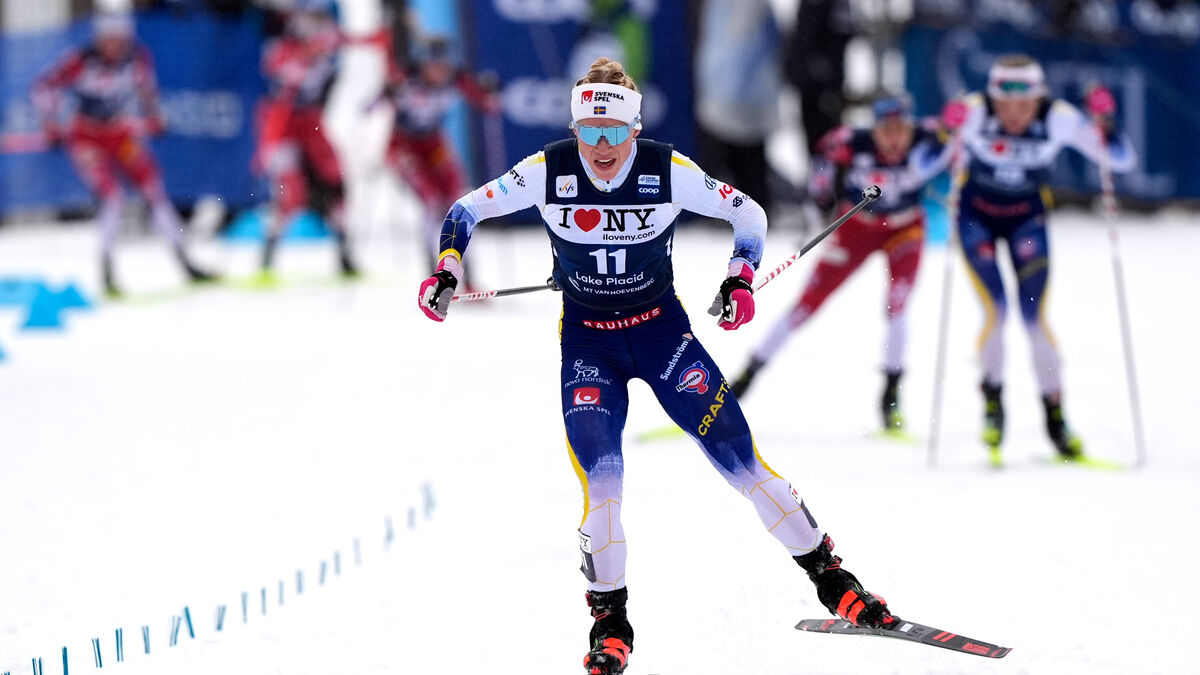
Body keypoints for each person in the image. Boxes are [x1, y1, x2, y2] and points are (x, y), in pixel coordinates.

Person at [417, 57, 897, 675]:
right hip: (589, 347)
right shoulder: (548, 170)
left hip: (662, 336)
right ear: (575, 129)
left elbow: (748, 213)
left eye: (614, 131)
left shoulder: (666, 170)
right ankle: (610, 626)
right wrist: (447, 270)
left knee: (743, 466)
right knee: (604, 488)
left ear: (635, 129)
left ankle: (835, 583)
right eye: (590, 132)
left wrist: (739, 278)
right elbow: (464, 211)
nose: (601, 147)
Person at [943, 55, 1135, 465]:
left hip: (1027, 221)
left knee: (1034, 321)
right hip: (976, 220)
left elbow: (1120, 159)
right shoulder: (975, 112)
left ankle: (1056, 419)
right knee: (996, 312)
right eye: (1006, 104)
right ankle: (993, 403)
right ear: (993, 99)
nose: (1015, 114)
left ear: (1040, 99)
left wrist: (1106, 123)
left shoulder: (1059, 118)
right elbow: (932, 157)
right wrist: (946, 127)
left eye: (1025, 105)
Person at [729, 93, 952, 434]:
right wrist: (819, 201)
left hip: (905, 228)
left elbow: (959, 132)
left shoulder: (929, 135)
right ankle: (744, 380)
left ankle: (891, 398)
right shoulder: (853, 141)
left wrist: (957, 124)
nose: (894, 139)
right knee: (808, 303)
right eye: (886, 130)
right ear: (874, 128)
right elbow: (823, 155)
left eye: (901, 130)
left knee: (898, 305)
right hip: (856, 227)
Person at [31, 12, 215, 297]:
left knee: (154, 191)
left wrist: (155, 116)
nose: (114, 46)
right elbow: (44, 87)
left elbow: (147, 90)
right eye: (109, 40)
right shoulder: (81, 60)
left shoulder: (136, 57)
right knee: (113, 198)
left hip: (120, 133)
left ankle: (186, 262)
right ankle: (107, 275)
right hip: (87, 138)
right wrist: (50, 124)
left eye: (119, 39)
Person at [256, 0, 357, 277]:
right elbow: (276, 67)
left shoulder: (328, 38)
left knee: (336, 179)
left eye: (321, 17)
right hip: (282, 121)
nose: (318, 24)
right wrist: (307, 53)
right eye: (312, 18)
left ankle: (345, 255)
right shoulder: (283, 45)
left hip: (310, 120)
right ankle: (267, 258)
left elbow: (361, 41)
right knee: (290, 193)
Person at [381, 36, 499, 274]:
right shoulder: (407, 78)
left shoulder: (456, 79)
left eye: (444, 65)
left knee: (460, 200)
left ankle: (468, 270)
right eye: (433, 65)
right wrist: (388, 91)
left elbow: (487, 102)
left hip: (434, 144)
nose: (440, 71)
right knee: (432, 202)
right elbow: (368, 106)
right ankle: (433, 270)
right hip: (404, 146)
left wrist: (490, 91)